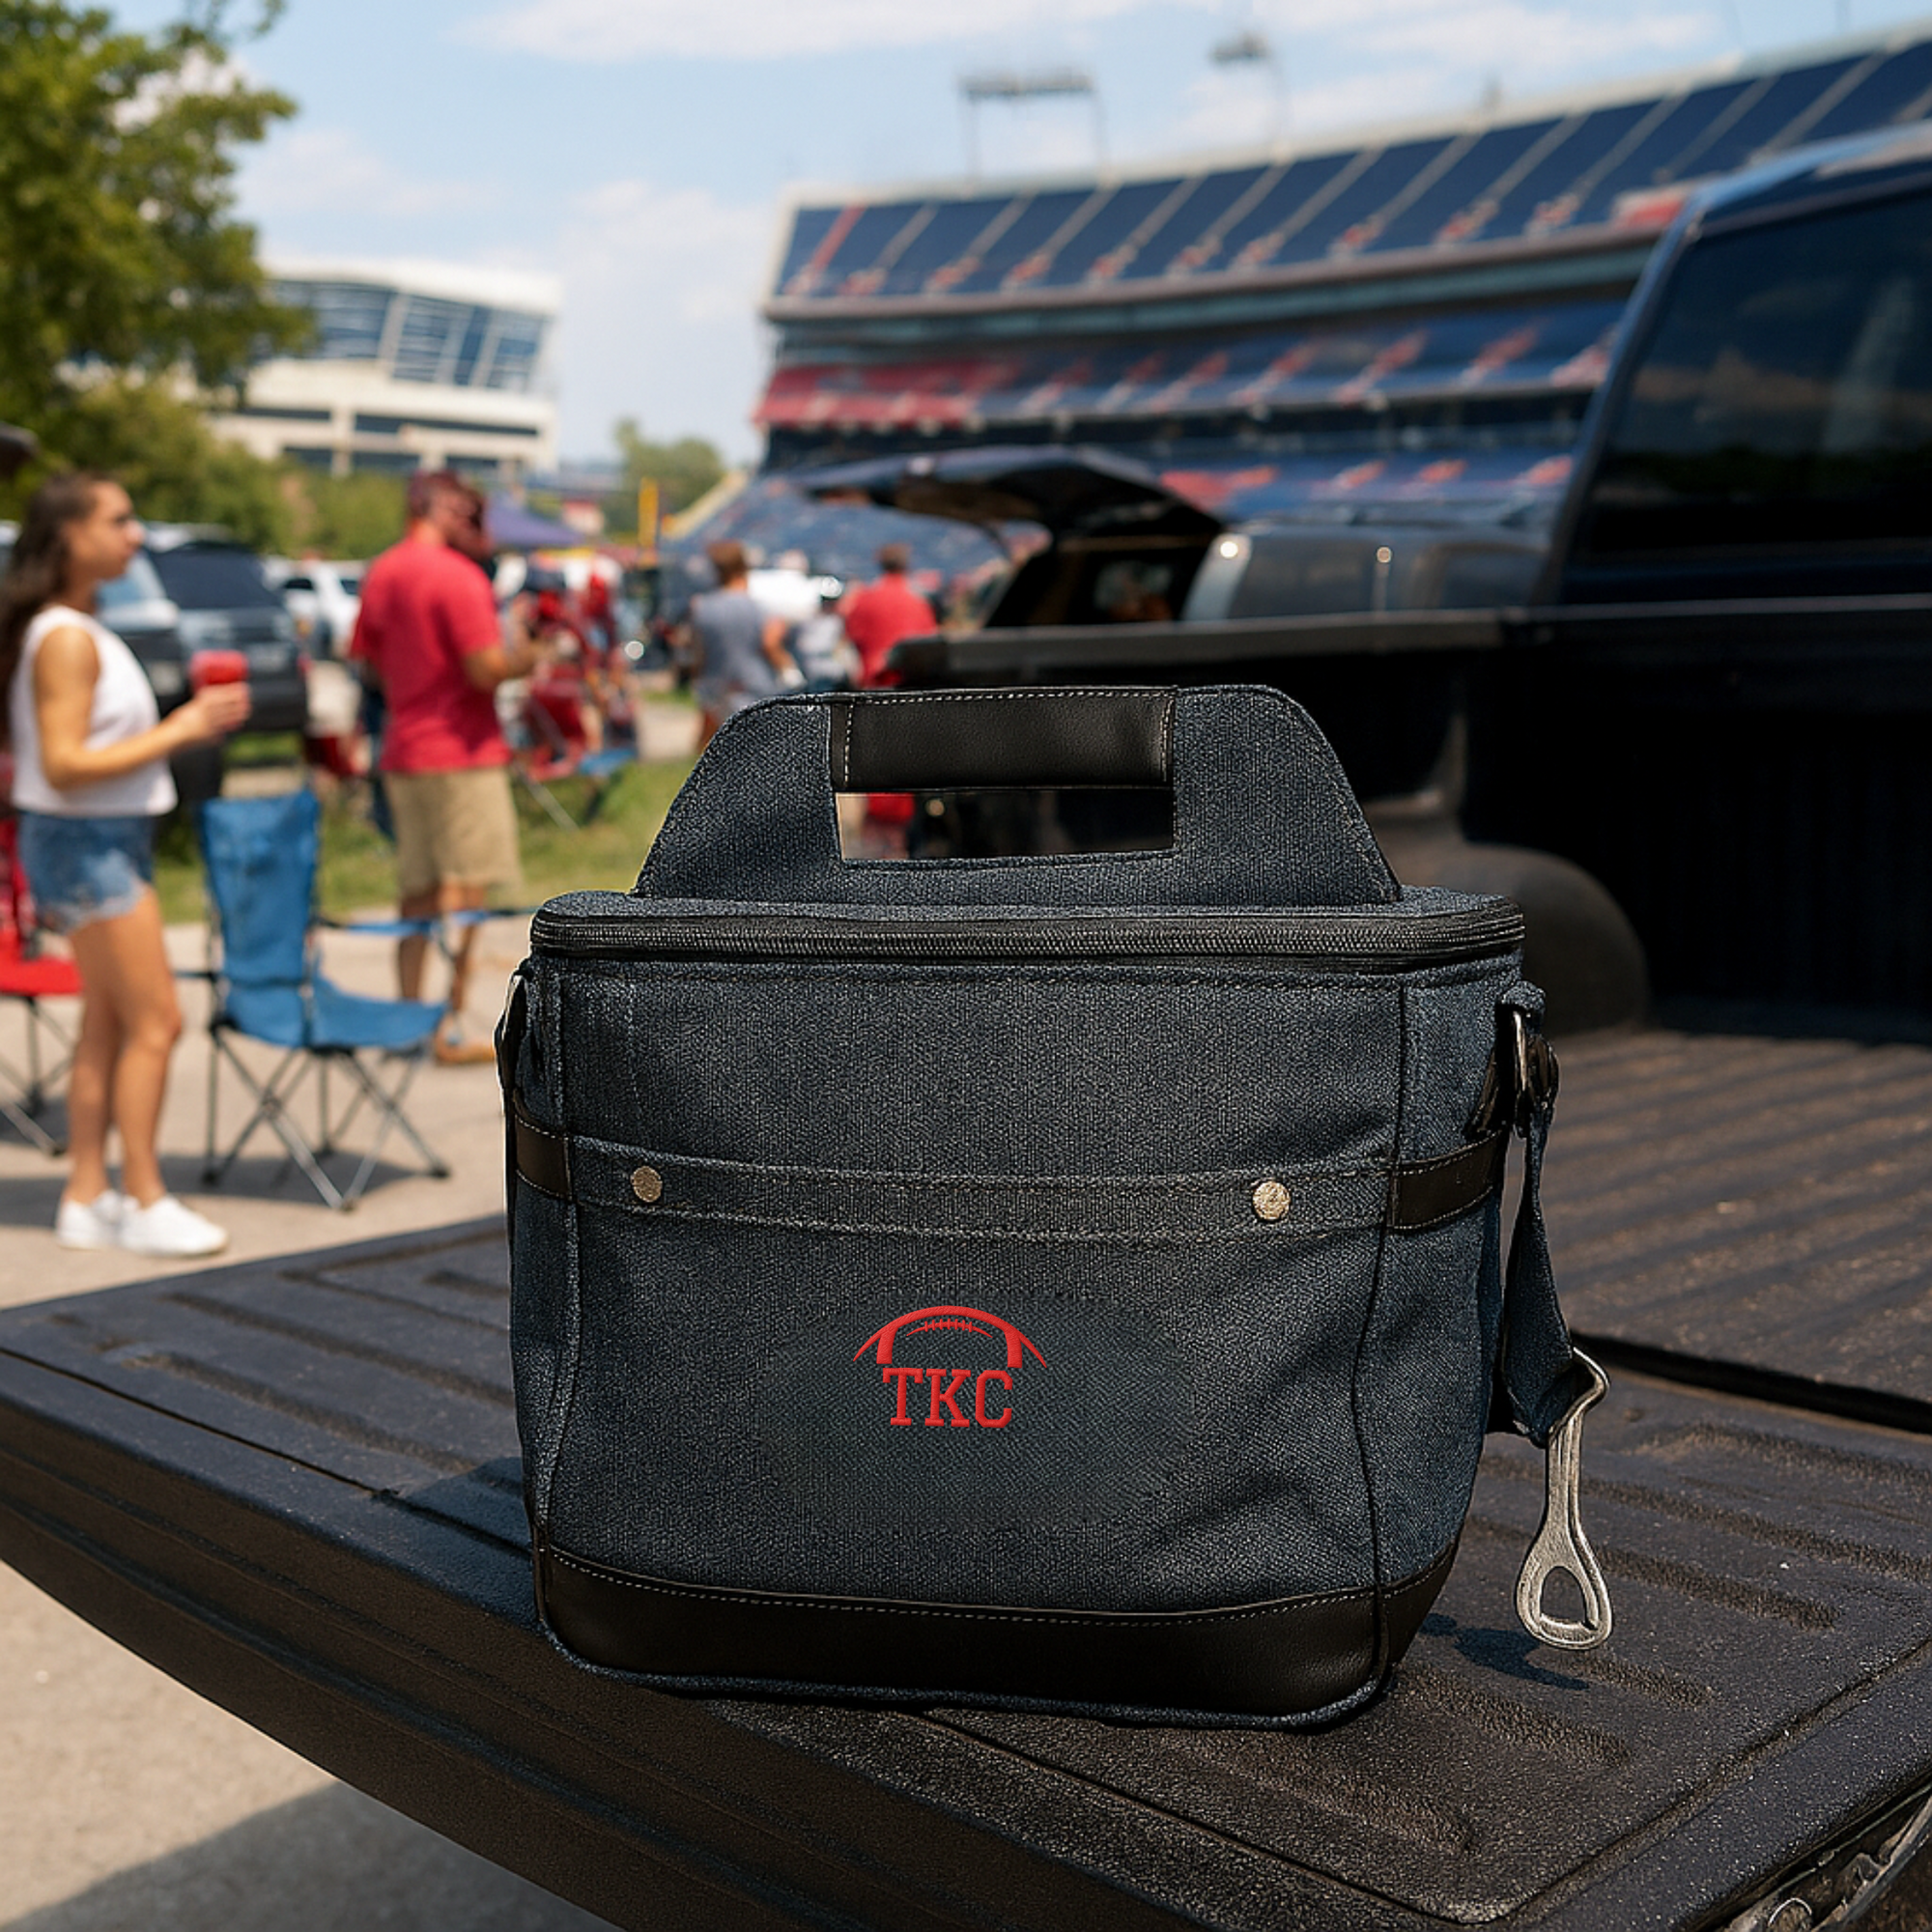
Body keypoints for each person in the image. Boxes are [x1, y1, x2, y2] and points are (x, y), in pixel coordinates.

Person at [0, 472, 250, 1256]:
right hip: (88, 844)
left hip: (90, 841)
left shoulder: (71, 625)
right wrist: (184, 729)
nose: (134, 533)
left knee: (107, 1025)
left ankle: (85, 1194)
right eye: (118, 519)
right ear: (69, 536)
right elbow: (65, 763)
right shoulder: (67, 638)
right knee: (156, 1021)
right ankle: (144, 1197)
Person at [350, 470, 543, 1064]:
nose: (476, 526)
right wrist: (528, 654)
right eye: (470, 513)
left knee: (415, 894)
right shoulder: (458, 577)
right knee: (466, 893)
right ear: (442, 507)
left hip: (405, 749)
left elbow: (366, 662)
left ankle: (408, 1020)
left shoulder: (383, 571)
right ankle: (450, 1027)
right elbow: (484, 670)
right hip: (463, 751)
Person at [687, 540, 794, 748]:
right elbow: (769, 644)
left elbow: (698, 654)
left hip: (716, 687)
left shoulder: (701, 608)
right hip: (754, 686)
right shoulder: (758, 607)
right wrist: (788, 668)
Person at [841, 543, 936, 688]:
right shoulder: (918, 602)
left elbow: (852, 635)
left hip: (875, 681)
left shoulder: (864, 598)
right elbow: (929, 640)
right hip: (910, 682)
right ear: (906, 565)